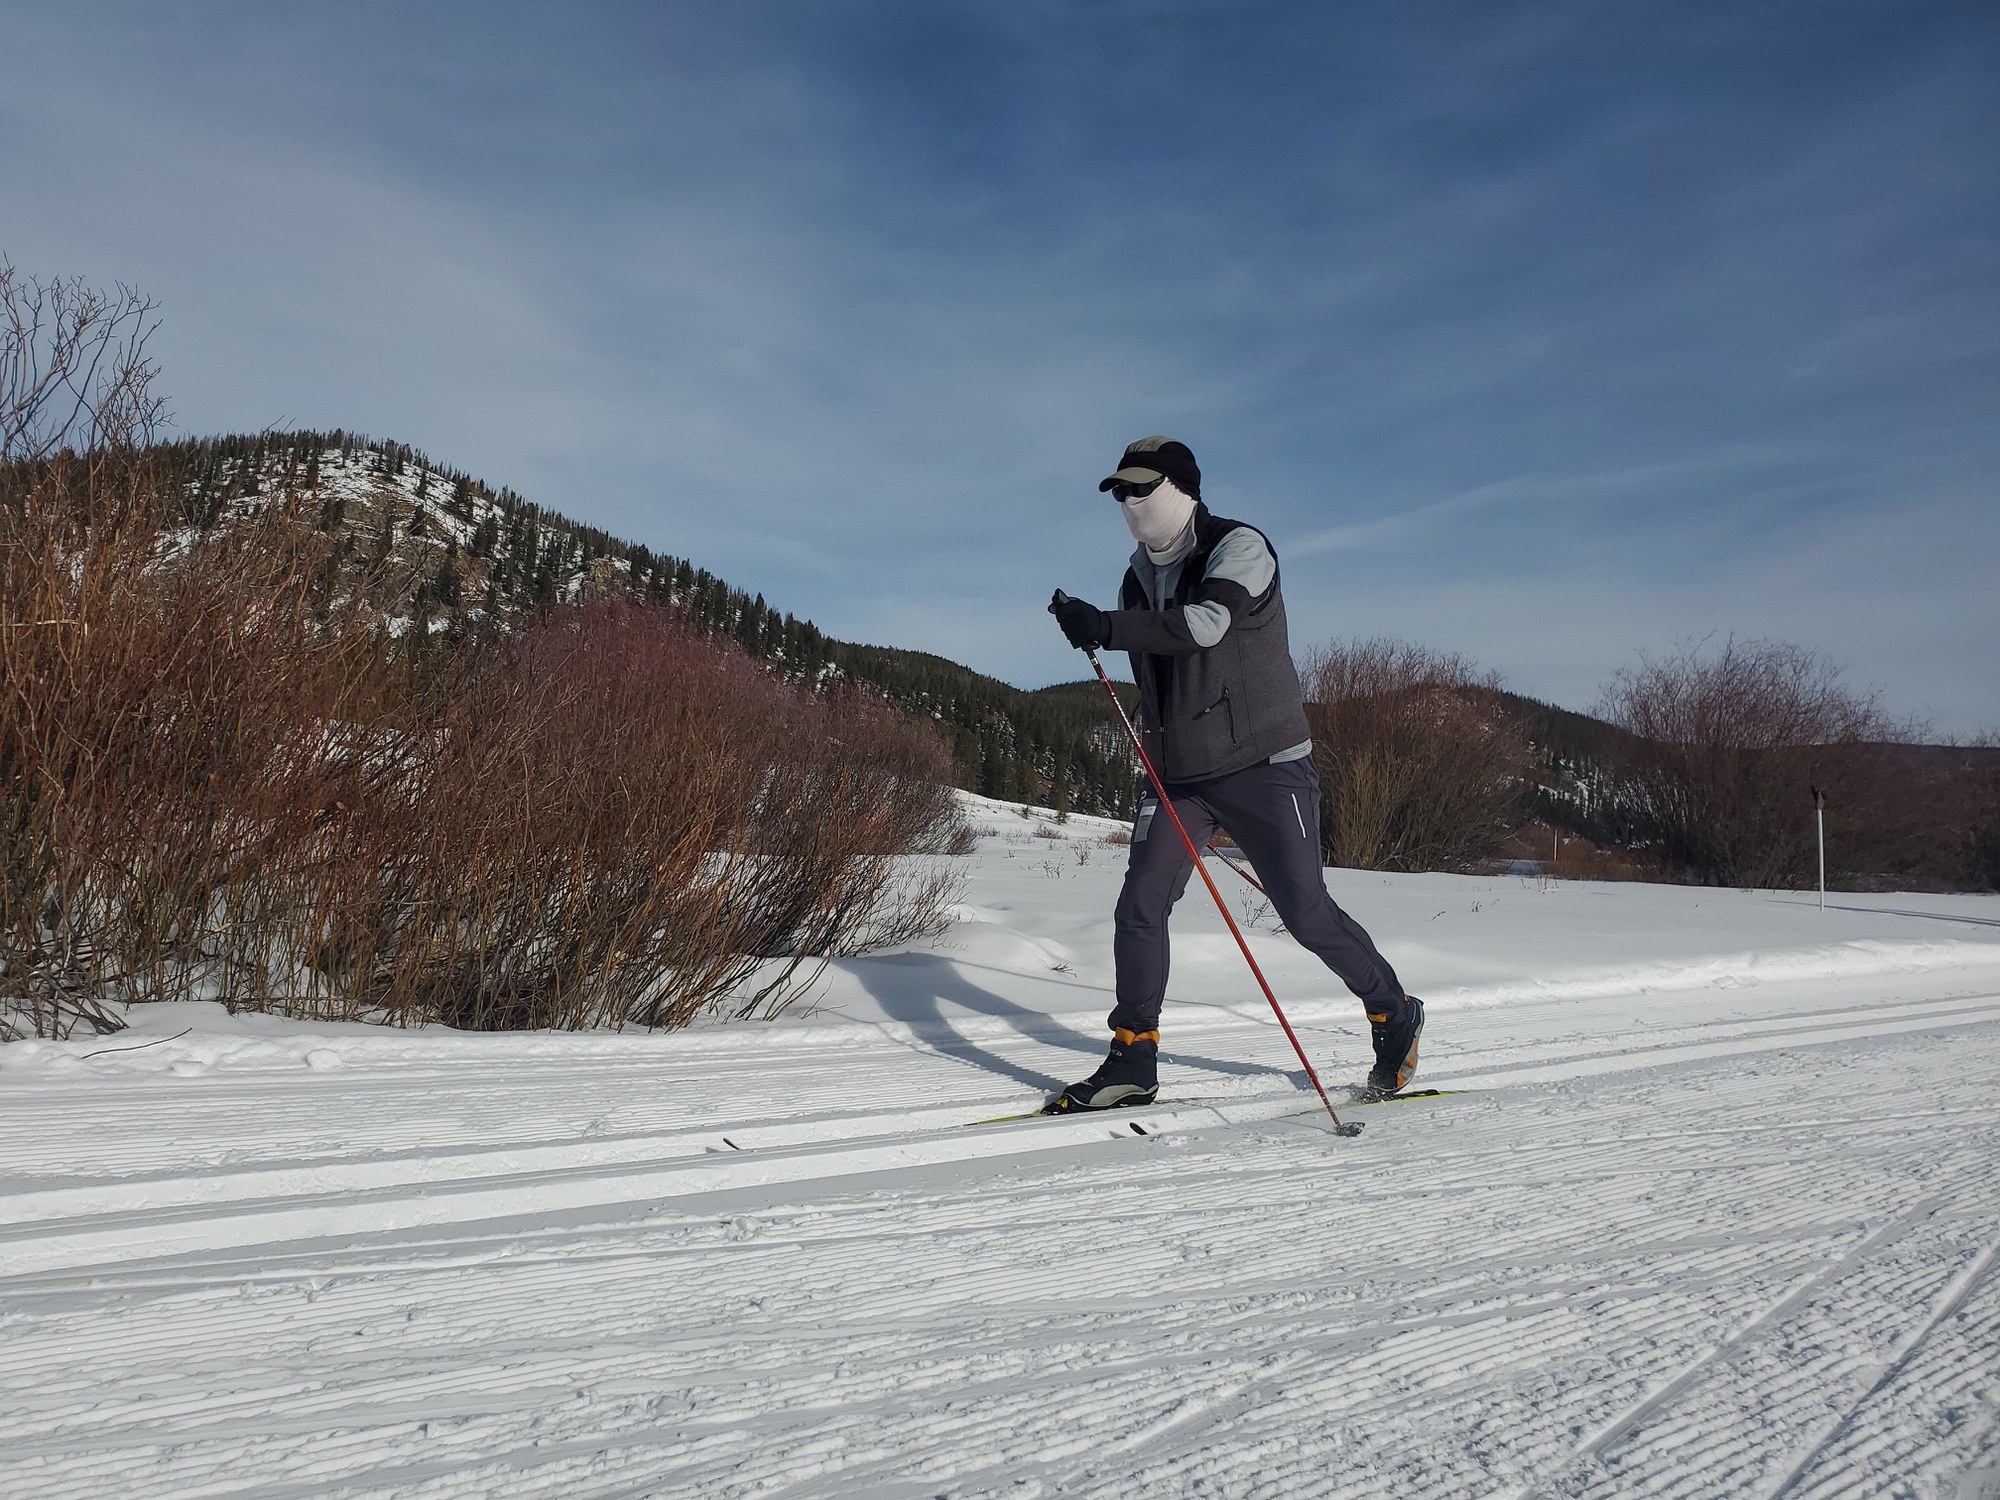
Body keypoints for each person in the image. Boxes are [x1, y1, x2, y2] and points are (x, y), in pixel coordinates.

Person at [1046, 435, 1423, 1110]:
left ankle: (1393, 1012)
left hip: (1264, 766)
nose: (1131, 502)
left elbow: (1208, 623)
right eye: (1121, 492)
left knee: (1305, 914)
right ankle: (1134, 1055)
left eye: (1142, 487)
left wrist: (1107, 625)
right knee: (1140, 905)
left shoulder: (1239, 546)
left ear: (1181, 489)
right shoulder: (1135, 576)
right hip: (1180, 776)